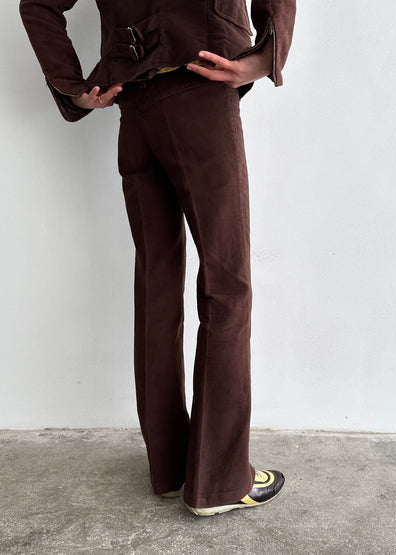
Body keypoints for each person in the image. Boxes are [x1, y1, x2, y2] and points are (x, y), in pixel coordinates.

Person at [19, 0, 296, 516]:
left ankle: (169, 468)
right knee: (227, 285)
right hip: (200, 90)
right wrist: (265, 55)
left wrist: (74, 86)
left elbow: (38, 3)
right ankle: (219, 482)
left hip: (136, 107)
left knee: (157, 287)